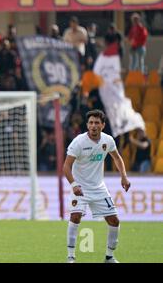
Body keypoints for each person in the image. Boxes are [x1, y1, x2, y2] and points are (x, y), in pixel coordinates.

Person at [63, 109, 131, 263]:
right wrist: (73, 185)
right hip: (79, 187)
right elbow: (66, 166)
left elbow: (117, 158)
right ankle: (71, 257)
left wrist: (124, 177)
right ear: (87, 125)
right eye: (91, 123)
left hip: (99, 188)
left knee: (114, 221)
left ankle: (109, 257)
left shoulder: (108, 141)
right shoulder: (78, 142)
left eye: (97, 123)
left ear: (103, 125)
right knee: (75, 216)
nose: (94, 126)